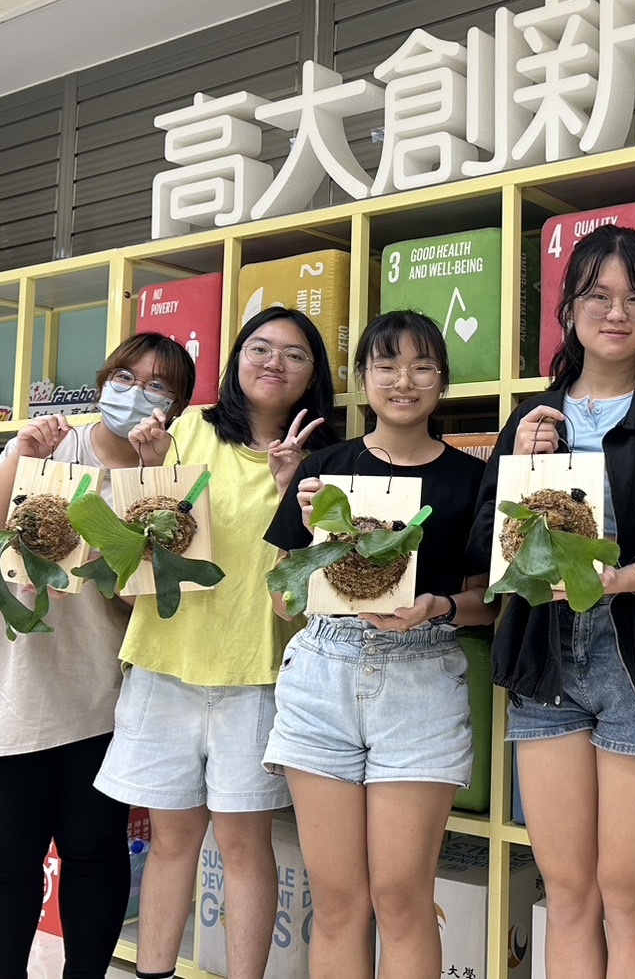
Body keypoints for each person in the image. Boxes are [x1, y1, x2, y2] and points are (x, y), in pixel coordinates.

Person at [468, 226, 635, 978]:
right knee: (566, 890)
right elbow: (485, 555)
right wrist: (518, 467)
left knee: (626, 891)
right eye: (597, 295)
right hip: (546, 664)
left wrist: (621, 578)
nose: (615, 312)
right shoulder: (533, 417)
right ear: (568, 308)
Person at [95, 308, 338, 979]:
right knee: (172, 841)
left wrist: (294, 485)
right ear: (235, 360)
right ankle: (153, 973)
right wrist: (149, 470)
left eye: (295, 355)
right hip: (165, 661)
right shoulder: (187, 429)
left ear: (313, 376)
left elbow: (336, 572)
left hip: (260, 669)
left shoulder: (327, 456)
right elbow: (139, 547)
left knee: (242, 844)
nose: (274, 363)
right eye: (260, 348)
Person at [0, 332, 197, 979]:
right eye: (124, 375)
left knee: (94, 853)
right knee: (2, 862)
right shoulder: (54, 448)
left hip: (103, 692)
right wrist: (20, 458)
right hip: (12, 684)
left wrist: (152, 490)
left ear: (175, 406)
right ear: (102, 379)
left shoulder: (170, 475)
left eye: (158, 385)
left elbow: (160, 603)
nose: (135, 393)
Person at [264, 310, 493, 979]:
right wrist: (312, 538)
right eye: (386, 365)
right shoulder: (325, 469)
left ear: (442, 381)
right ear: (362, 378)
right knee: (337, 902)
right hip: (321, 677)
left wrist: (436, 608)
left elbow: (493, 603)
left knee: (401, 897)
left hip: (420, 682)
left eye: (422, 366)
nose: (403, 380)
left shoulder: (469, 480)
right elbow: (281, 600)